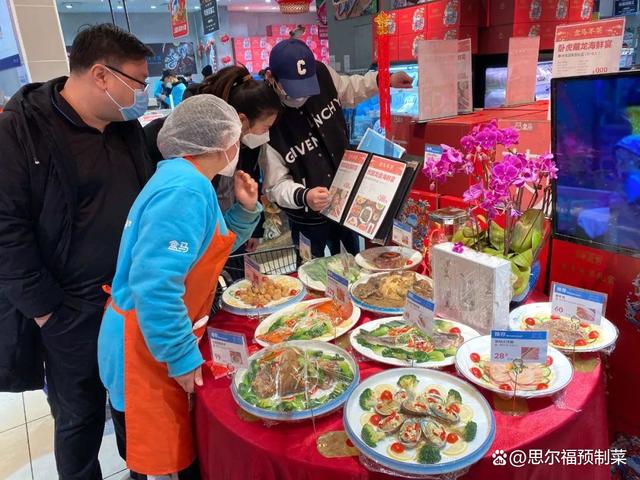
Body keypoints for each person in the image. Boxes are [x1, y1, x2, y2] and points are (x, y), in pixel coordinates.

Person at [0, 23, 153, 479]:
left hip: (127, 300)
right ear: (101, 76)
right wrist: (48, 313)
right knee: (80, 415)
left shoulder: (123, 131)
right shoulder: (21, 133)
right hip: (70, 311)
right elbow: (7, 232)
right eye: (135, 83)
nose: (141, 94)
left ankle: (140, 469)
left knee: (132, 406)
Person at [98, 95, 262, 479]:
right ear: (224, 144)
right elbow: (155, 287)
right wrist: (182, 357)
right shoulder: (183, 191)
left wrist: (245, 211)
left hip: (157, 335)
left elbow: (205, 253)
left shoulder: (188, 180)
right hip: (144, 345)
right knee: (159, 464)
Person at [263, 39, 413, 257]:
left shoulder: (323, 74)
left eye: (306, 88)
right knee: (309, 269)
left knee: (351, 262)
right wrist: (304, 196)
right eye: (293, 90)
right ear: (271, 78)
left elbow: (350, 89)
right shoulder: (267, 117)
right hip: (307, 216)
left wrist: (384, 80)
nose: (301, 97)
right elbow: (275, 185)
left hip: (345, 203)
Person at [144, 65, 281, 254]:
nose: (266, 135)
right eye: (265, 128)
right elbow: (170, 264)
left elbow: (214, 247)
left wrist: (247, 210)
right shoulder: (186, 187)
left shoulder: (203, 174)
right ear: (238, 123)